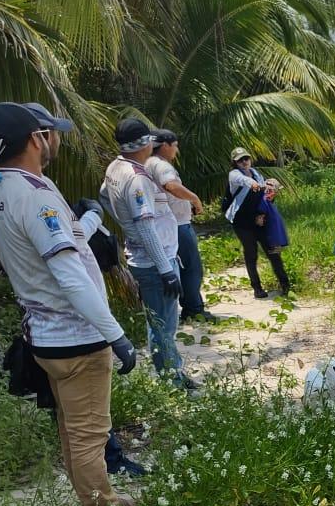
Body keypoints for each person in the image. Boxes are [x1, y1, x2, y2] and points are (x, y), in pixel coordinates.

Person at [0, 102, 137, 506]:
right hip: (76, 336)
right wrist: (115, 335)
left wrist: (87, 220)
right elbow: (69, 277)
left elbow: (59, 245)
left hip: (45, 335)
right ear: (36, 139)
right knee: (89, 434)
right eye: (54, 133)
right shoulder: (35, 196)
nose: (58, 140)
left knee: (72, 429)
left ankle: (99, 498)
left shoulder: (3, 190)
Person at [101, 118, 191, 388]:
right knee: (163, 325)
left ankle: (173, 371)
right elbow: (146, 226)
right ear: (143, 144)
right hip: (155, 262)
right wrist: (166, 270)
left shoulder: (116, 167)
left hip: (147, 258)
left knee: (159, 322)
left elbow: (103, 194)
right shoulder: (137, 179)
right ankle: (171, 380)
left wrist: (123, 222)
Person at [146, 129, 213, 322]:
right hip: (178, 226)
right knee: (191, 268)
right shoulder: (161, 165)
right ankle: (193, 308)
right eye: (175, 145)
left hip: (166, 225)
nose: (176, 150)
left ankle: (188, 306)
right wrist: (195, 199)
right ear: (165, 146)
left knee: (182, 266)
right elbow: (172, 186)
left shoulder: (148, 164)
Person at [226, 147, 290, 299]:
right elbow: (242, 180)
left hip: (258, 220)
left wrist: (269, 195)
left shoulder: (256, 173)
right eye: (240, 160)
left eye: (246, 158)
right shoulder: (234, 175)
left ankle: (286, 285)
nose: (244, 162)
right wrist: (253, 183)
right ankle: (257, 288)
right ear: (235, 162)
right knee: (251, 252)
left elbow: (264, 198)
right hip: (241, 221)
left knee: (273, 251)